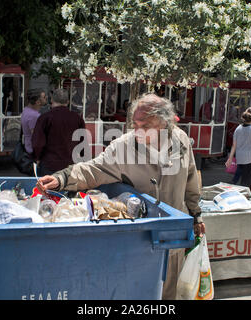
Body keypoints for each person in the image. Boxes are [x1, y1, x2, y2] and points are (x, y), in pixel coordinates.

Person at [36, 93, 206, 300]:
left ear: (164, 123)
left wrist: (196, 215)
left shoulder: (180, 140)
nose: (137, 131)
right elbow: (94, 169)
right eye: (135, 124)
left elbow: (190, 180)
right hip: (142, 239)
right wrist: (62, 178)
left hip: (173, 236)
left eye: (145, 125)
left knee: (168, 294)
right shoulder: (124, 146)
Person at [32, 89, 86, 176]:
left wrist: (36, 158)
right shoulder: (77, 118)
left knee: (48, 189)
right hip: (71, 164)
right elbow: (83, 142)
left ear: (52, 100)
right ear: (68, 102)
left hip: (49, 164)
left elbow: (38, 142)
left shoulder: (45, 118)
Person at [226, 107, 251, 191]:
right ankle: (243, 200)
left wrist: (230, 158)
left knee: (250, 180)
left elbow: (234, 145)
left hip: (240, 159)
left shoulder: (238, 128)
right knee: (246, 184)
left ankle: (247, 197)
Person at [21, 88, 47, 155]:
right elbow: (37, 137)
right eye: (44, 97)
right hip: (34, 151)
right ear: (38, 102)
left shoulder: (27, 110)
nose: (46, 98)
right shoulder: (34, 116)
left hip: (29, 147)